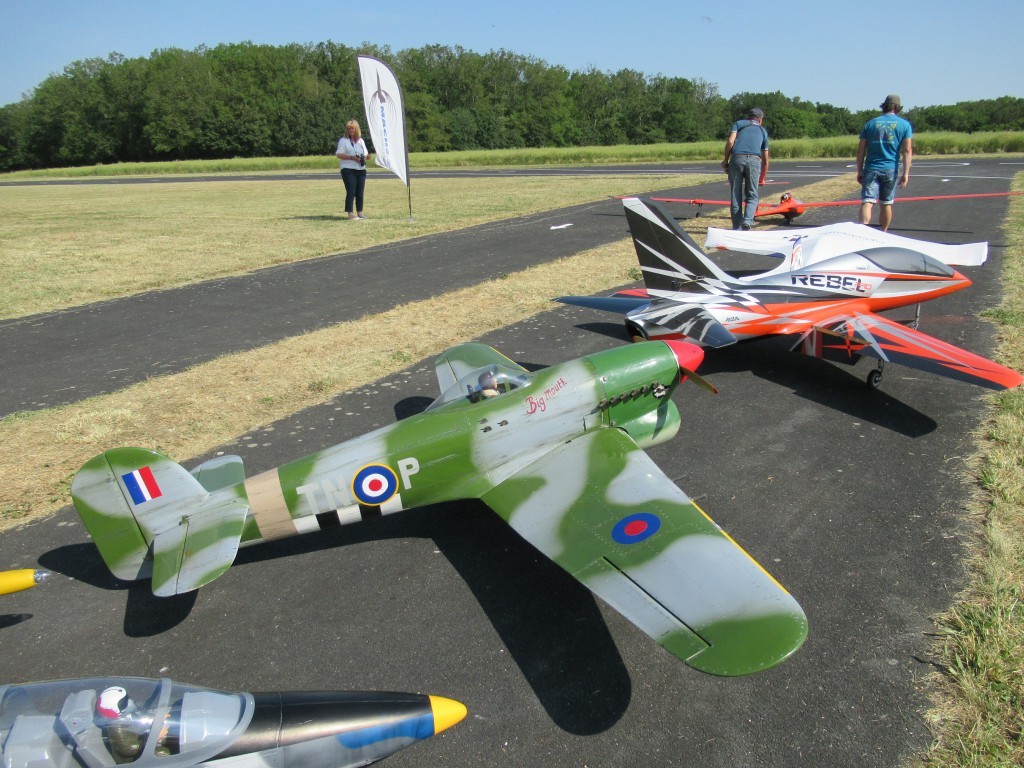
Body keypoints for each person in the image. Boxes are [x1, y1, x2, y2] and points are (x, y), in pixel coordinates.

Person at [856, 94, 913, 232]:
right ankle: (884, 232)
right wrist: (906, 173)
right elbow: (907, 150)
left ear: (884, 106)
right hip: (890, 169)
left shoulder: (870, 123)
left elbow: (861, 150)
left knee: (867, 201)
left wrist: (859, 171)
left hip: (871, 167)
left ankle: (863, 231)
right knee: (886, 203)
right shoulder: (904, 125)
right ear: (897, 107)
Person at [722, 107, 770, 230]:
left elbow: (730, 142)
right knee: (752, 195)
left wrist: (726, 160)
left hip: (737, 158)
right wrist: (762, 178)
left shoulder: (738, 124)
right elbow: (765, 160)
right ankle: (747, 222)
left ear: (748, 117)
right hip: (754, 160)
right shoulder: (762, 131)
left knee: (735, 195)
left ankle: (736, 228)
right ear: (760, 120)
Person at [336, 120, 369, 220]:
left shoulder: (361, 141)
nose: (351, 130)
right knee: (351, 191)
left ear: (356, 129)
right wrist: (352, 157)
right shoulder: (343, 140)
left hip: (361, 169)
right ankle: (350, 214)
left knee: (360, 192)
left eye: (352, 128)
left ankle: (360, 213)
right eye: (349, 128)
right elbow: (339, 154)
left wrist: (366, 157)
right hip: (348, 169)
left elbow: (366, 153)